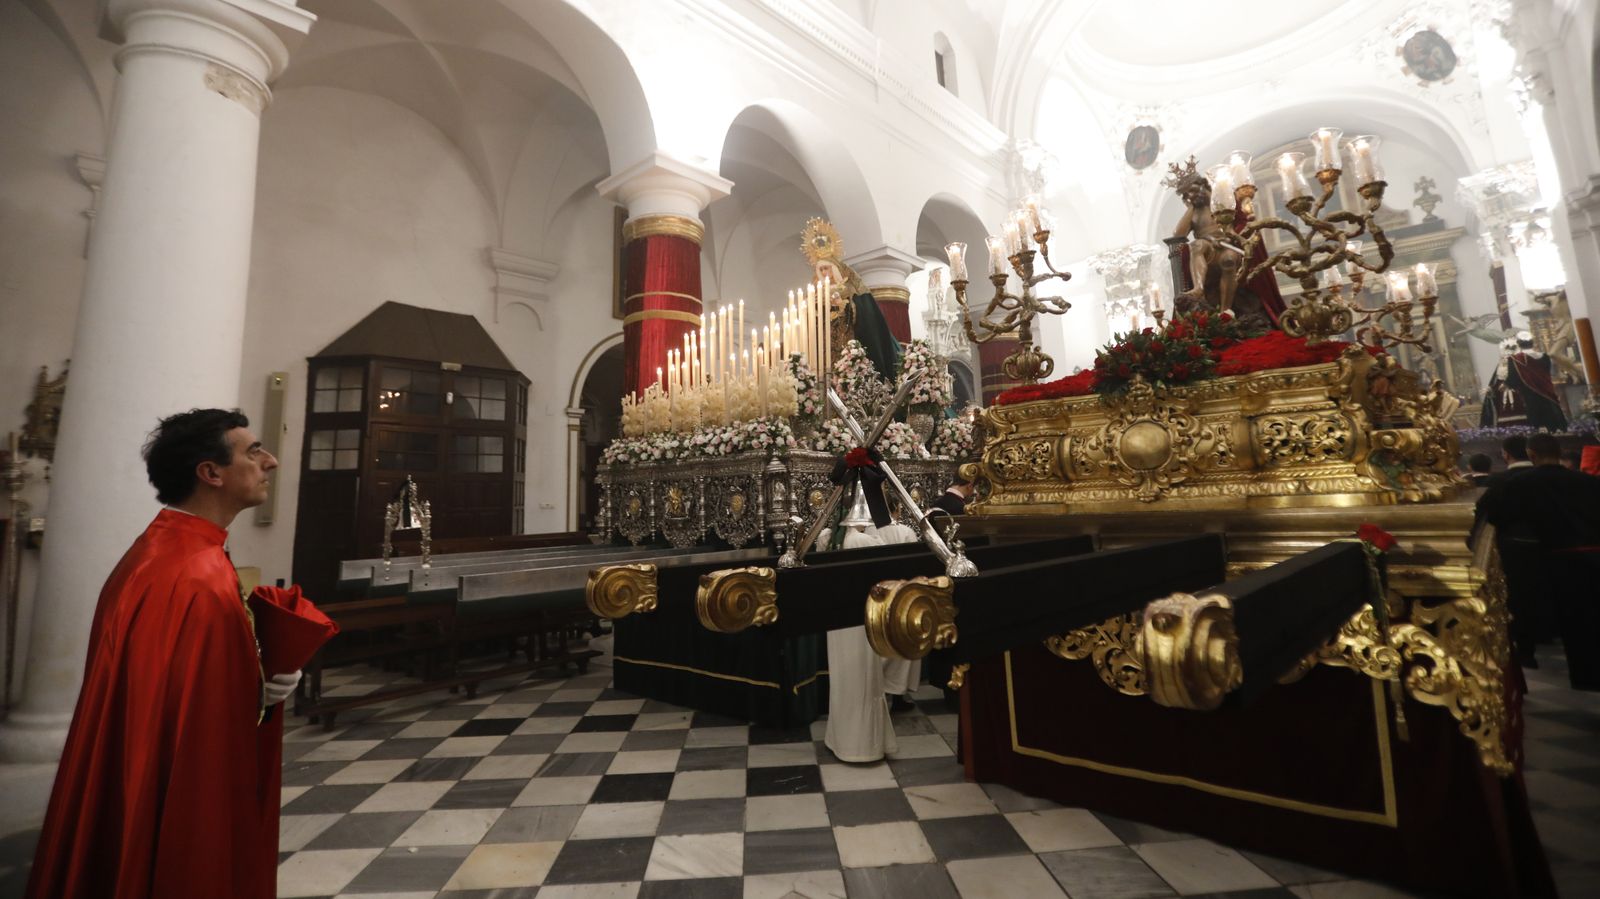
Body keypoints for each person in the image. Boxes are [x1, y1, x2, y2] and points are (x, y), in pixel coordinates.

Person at [27, 409, 300, 899]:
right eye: (253, 451)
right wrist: (264, 690)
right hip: (180, 792)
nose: (270, 461)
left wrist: (261, 676)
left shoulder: (171, 550)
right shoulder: (194, 574)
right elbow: (200, 723)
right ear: (211, 473)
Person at [1477, 433, 1600, 689]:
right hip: (1594, 555)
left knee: (1575, 623)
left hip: (1557, 558)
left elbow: (1497, 515)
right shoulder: (1587, 481)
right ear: (1560, 451)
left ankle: (1587, 677)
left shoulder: (1522, 483)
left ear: (1531, 454)